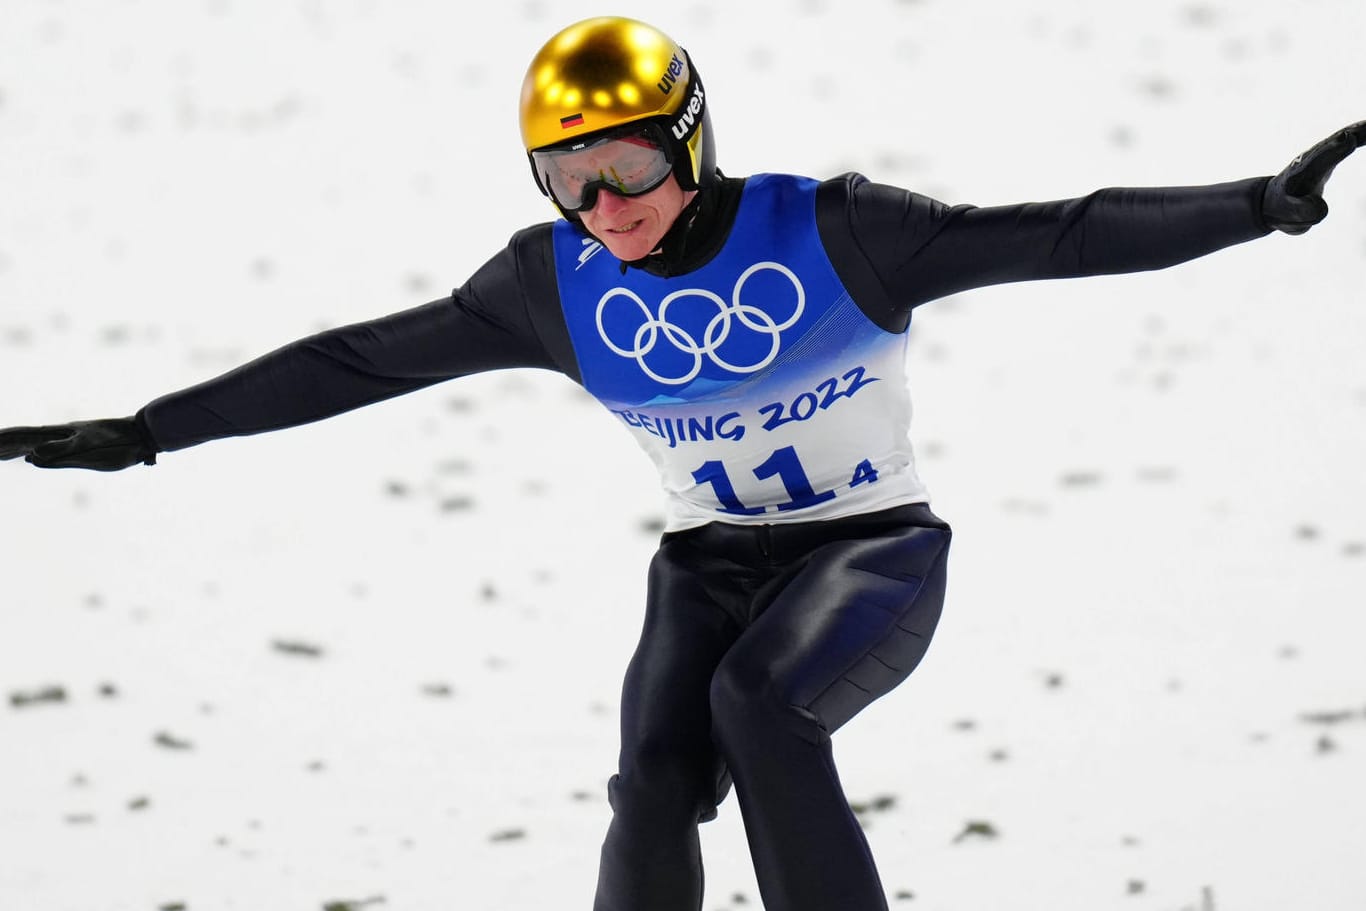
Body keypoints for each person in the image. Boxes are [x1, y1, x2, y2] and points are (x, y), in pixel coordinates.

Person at [1, 15, 1361, 911]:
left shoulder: (836, 234)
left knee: (761, 710)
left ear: (693, 137)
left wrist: (1255, 207)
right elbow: (361, 359)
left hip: (869, 552)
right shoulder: (553, 286)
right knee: (655, 772)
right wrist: (145, 431)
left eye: (632, 165)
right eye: (567, 181)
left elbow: (1056, 234)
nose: (608, 210)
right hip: (703, 566)